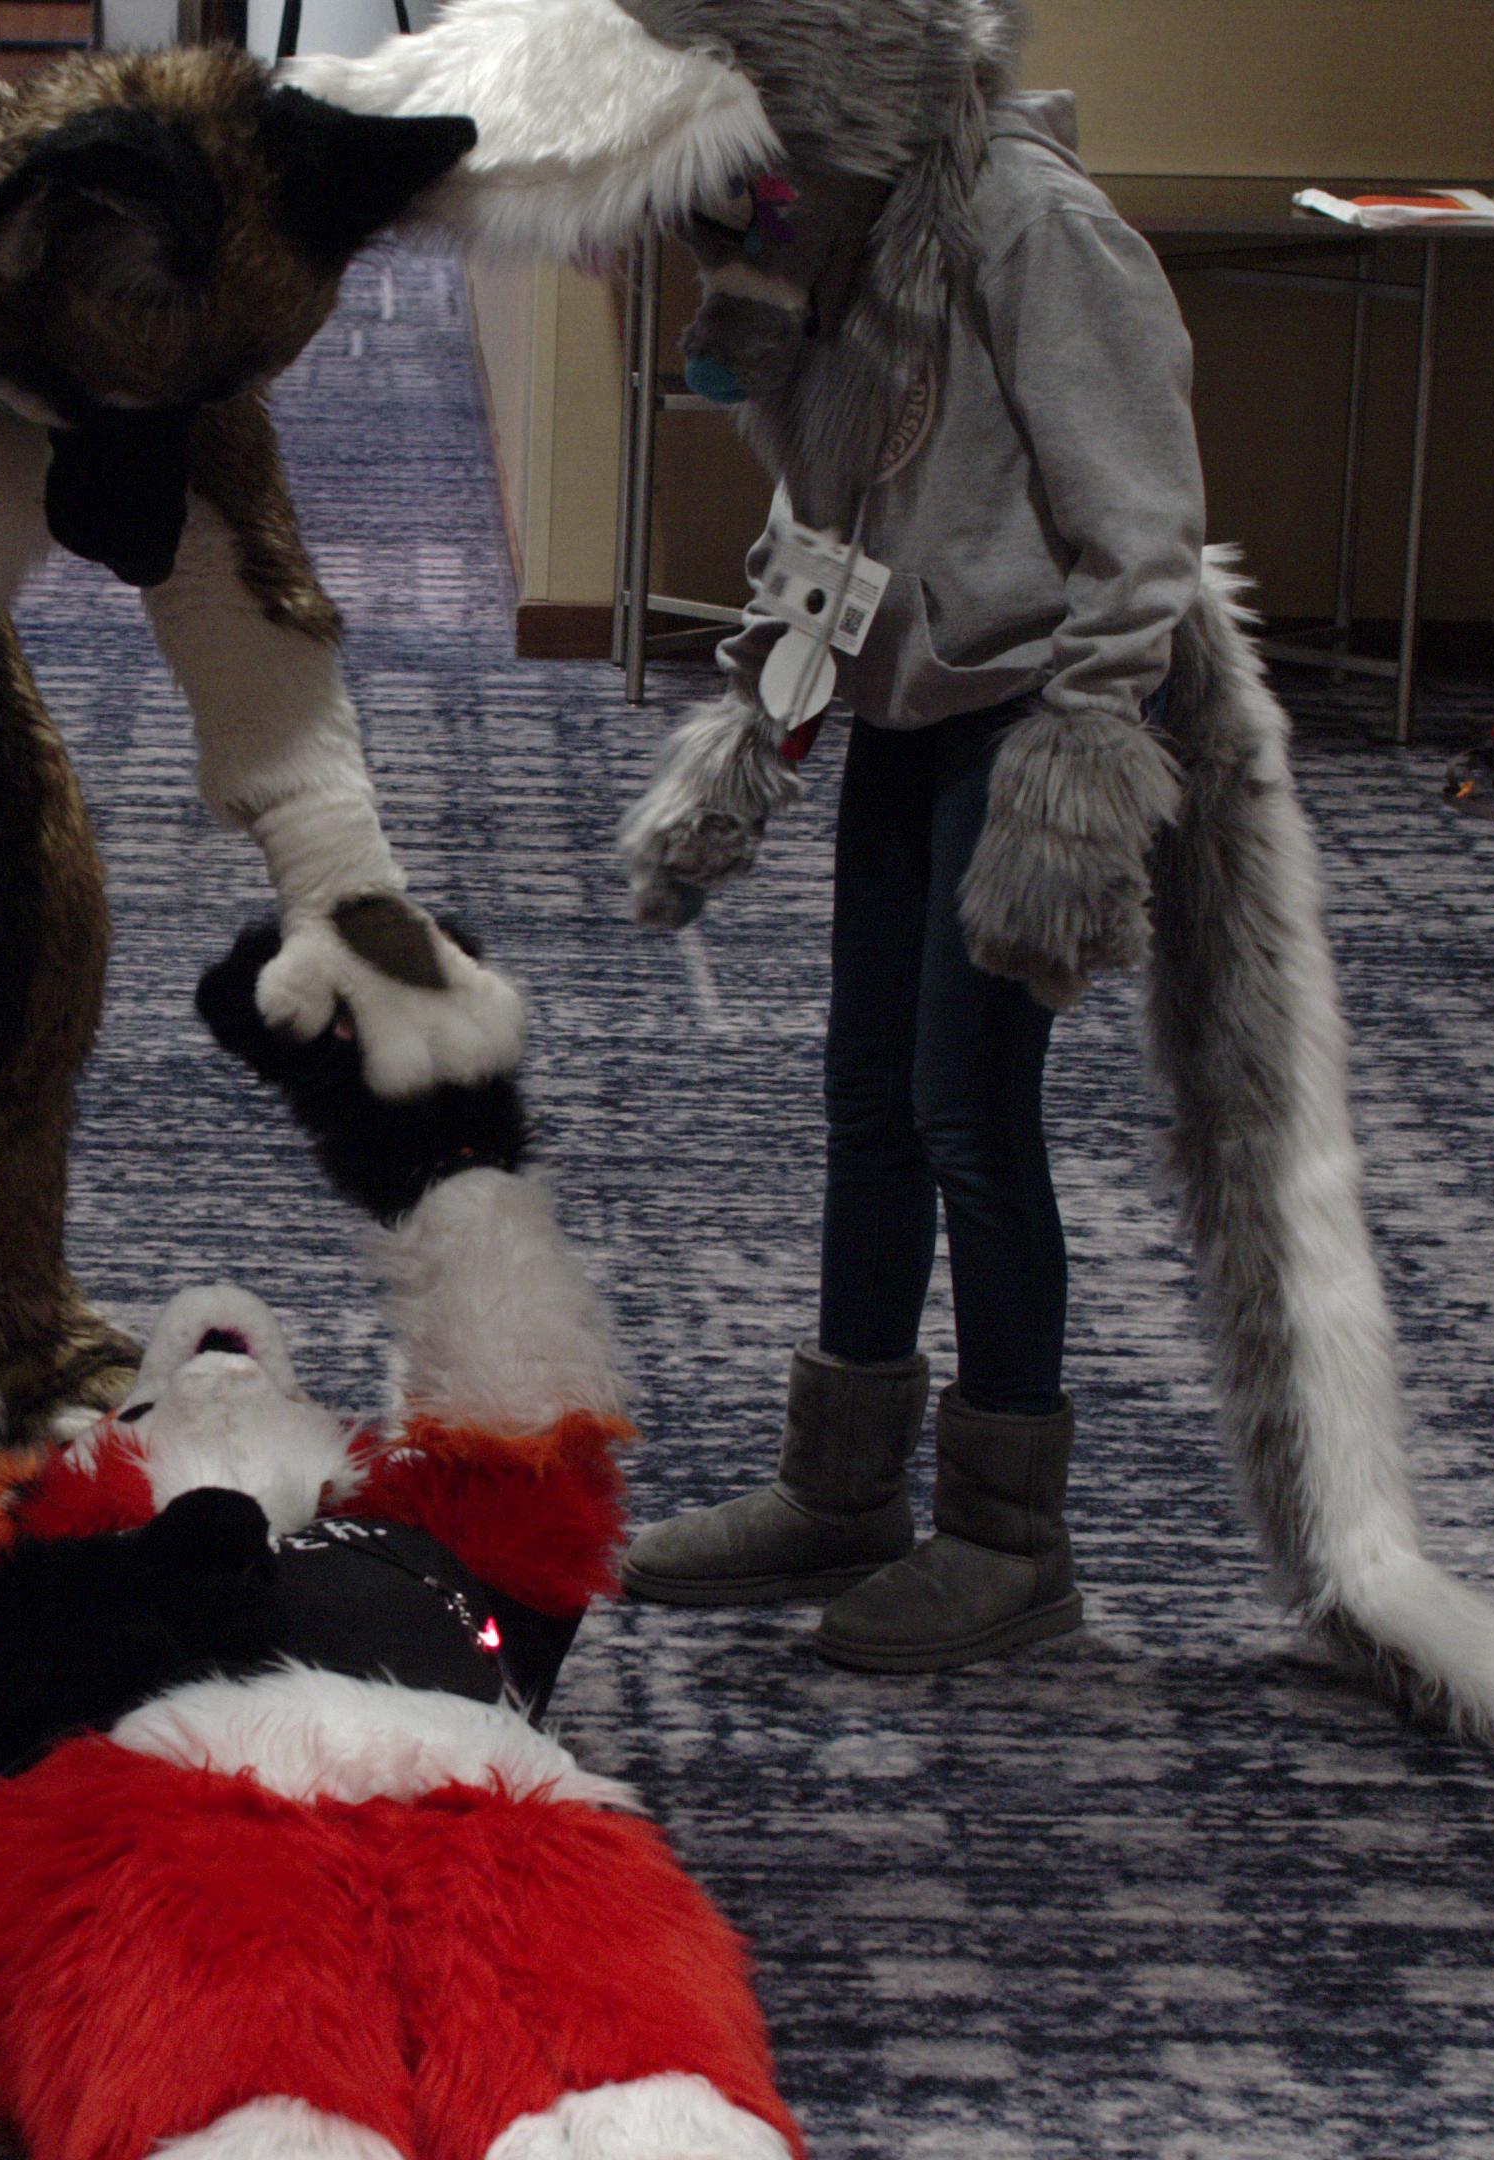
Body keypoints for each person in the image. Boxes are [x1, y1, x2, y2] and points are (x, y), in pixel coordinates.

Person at [603, 97, 1202, 1681]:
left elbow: (1142, 528)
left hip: (1024, 709)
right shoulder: (848, 228)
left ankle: (1011, 1537)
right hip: (903, 697)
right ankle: (843, 1488)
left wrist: (1085, 742)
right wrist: (767, 687)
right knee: (869, 1094)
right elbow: (832, 489)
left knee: (967, 1110)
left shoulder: (1032, 224)